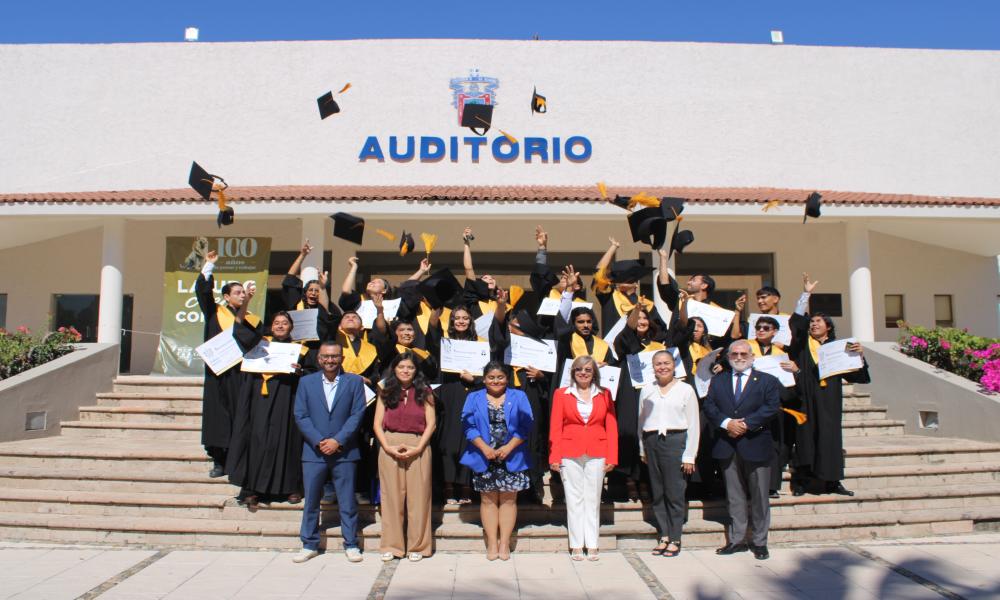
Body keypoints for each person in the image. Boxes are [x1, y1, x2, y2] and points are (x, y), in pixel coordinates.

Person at [788, 274, 871, 497]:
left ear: (828, 327)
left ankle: (832, 482)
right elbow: (796, 321)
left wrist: (860, 357)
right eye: (812, 321)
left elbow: (857, 377)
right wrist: (806, 294)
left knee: (830, 438)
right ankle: (802, 481)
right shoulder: (803, 345)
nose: (814, 324)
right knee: (805, 438)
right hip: (805, 395)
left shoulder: (839, 347)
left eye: (819, 322)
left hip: (829, 398)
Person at [703, 339, 781, 561]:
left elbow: (771, 407)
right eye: (734, 354)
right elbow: (710, 406)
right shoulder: (718, 381)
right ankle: (737, 540)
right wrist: (728, 423)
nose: (739, 357)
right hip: (728, 445)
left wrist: (746, 424)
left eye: (743, 354)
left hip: (756, 443)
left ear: (752, 357)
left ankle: (759, 541)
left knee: (759, 496)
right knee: (734, 496)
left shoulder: (767, 381)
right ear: (728, 357)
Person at [292, 341, 368, 564]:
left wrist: (338, 440)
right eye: (326, 356)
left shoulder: (354, 382)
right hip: (314, 452)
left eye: (335, 356)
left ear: (342, 358)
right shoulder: (306, 382)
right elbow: (301, 415)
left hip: (345, 451)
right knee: (312, 501)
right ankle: (309, 543)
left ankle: (351, 543)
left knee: (347, 501)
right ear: (319, 359)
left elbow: (357, 414)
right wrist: (319, 441)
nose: (330, 360)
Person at [227, 310, 313, 506]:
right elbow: (239, 333)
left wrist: (301, 372)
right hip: (259, 401)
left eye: (285, 323)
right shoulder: (259, 345)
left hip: (287, 400)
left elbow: (312, 373)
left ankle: (291, 487)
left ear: (291, 327)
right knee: (257, 441)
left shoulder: (301, 350)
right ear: (271, 326)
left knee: (288, 441)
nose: (280, 326)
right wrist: (245, 306)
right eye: (276, 322)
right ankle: (253, 488)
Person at [195, 249, 262, 478]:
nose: (242, 295)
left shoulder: (250, 318)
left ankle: (238, 459)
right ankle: (219, 460)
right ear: (226, 296)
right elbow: (203, 292)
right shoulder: (214, 312)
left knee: (239, 415)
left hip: (241, 374)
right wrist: (209, 266)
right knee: (217, 416)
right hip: (218, 374)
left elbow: (254, 341)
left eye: (243, 292)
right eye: (237, 292)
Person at [460, 362, 535, 561]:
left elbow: (526, 424)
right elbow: (468, 425)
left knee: (509, 499)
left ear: (507, 379)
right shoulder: (473, 397)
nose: (496, 381)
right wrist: (485, 448)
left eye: (500, 377)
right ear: (484, 379)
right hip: (484, 454)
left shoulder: (519, 396)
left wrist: (508, 447)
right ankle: (492, 541)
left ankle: (504, 542)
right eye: (491, 377)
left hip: (512, 454)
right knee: (488, 499)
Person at [549, 355, 618, 561]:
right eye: (579, 369)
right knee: (574, 498)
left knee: (593, 497)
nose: (583, 373)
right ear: (573, 372)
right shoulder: (561, 394)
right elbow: (555, 427)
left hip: (598, 449)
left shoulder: (605, 394)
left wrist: (612, 456)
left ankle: (593, 543)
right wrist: (554, 455)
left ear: (594, 373)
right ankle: (577, 544)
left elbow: (611, 427)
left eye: (588, 370)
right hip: (570, 451)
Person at [373, 353, 436, 562]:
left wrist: (418, 448)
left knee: (418, 498)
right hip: (390, 443)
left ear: (416, 370)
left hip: (418, 443)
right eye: (401, 367)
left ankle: (418, 546)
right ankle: (392, 545)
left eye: (410, 367)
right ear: (394, 369)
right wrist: (388, 447)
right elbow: (377, 424)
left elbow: (431, 424)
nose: (405, 371)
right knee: (391, 497)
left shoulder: (425, 391)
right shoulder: (385, 390)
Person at [639, 350, 699, 558]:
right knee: (658, 492)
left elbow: (693, 424)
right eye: (658, 364)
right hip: (652, 441)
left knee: (674, 492)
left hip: (675, 442)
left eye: (666, 363)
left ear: (674, 365)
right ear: (653, 367)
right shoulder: (647, 390)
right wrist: (642, 448)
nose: (662, 367)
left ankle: (675, 537)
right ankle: (663, 534)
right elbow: (641, 421)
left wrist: (689, 455)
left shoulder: (685, 389)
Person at [431, 306, 481, 505]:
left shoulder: (479, 345)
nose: (461, 321)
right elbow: (432, 334)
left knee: (469, 440)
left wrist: (474, 379)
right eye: (457, 318)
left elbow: (488, 373)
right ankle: (449, 487)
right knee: (449, 440)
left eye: (465, 318)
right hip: (449, 393)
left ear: (470, 321)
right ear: (451, 322)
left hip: (472, 393)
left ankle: (466, 487)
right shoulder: (445, 343)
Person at [281, 239, 341, 342]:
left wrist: (322, 287)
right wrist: (302, 255)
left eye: (317, 291)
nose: (313, 293)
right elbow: (289, 279)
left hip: (319, 349)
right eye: (311, 290)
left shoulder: (328, 307)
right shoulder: (296, 303)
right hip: (298, 346)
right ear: (305, 292)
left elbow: (329, 316)